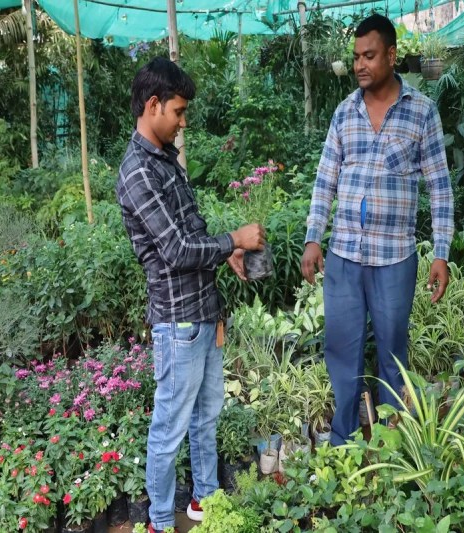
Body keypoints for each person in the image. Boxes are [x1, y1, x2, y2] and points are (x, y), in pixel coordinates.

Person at [117, 57, 265, 533]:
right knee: (169, 429)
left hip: (204, 314)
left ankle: (205, 501)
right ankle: (160, 522)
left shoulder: (165, 160)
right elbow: (177, 250)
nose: (183, 123)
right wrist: (234, 239)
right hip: (178, 322)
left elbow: (191, 232)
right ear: (153, 105)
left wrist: (227, 253)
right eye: (178, 112)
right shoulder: (138, 171)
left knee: (205, 418)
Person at [300, 14, 454, 446]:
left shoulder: (421, 112)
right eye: (355, 57)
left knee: (392, 355)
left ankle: (391, 449)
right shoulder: (344, 112)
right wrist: (313, 238)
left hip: (394, 259)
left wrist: (441, 252)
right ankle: (343, 447)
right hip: (344, 257)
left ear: (391, 55)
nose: (359, 65)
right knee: (342, 354)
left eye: (368, 56)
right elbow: (325, 179)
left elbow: (440, 187)